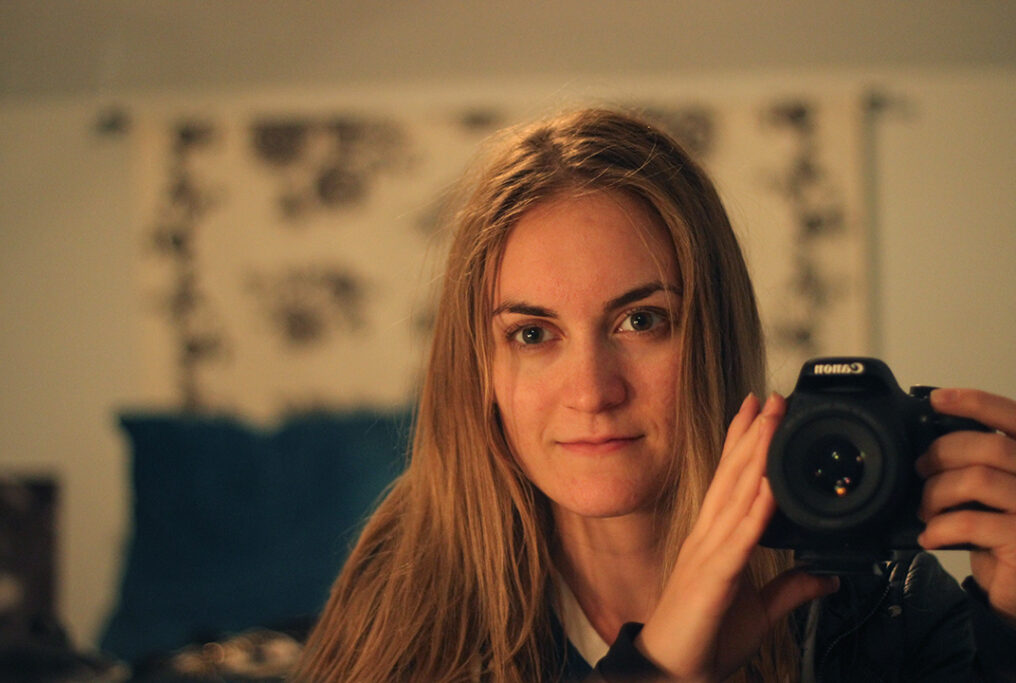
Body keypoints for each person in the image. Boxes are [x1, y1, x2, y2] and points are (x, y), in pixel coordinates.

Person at [295, 108, 1016, 682]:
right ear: (476, 366)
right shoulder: (414, 576)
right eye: (532, 334)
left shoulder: (871, 593)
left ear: (715, 336)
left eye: (641, 321)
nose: (591, 391)